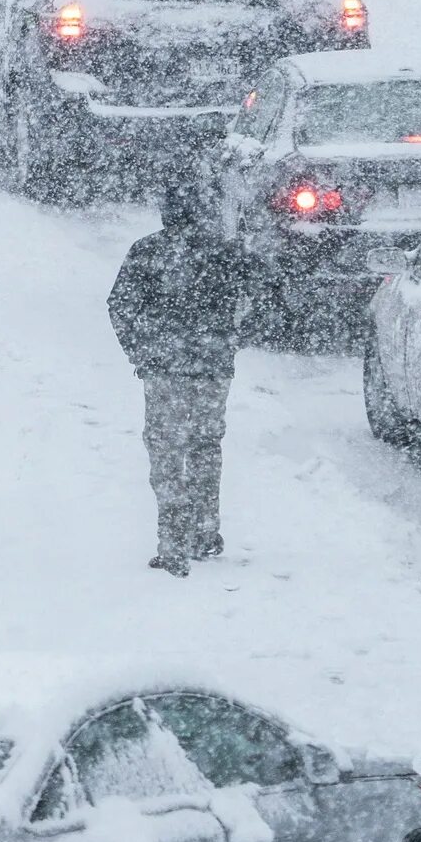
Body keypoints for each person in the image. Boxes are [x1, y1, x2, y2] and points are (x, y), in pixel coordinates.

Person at [105, 176, 254, 575]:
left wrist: (142, 351)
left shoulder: (148, 252)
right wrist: (227, 342)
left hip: (165, 369)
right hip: (211, 369)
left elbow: (119, 306)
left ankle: (172, 541)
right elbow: (255, 300)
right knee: (206, 446)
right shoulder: (225, 254)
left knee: (167, 451)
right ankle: (205, 531)